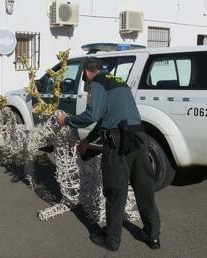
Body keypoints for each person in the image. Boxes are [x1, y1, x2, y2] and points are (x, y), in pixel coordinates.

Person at [57, 57, 161, 251]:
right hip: (139, 138)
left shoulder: (97, 83)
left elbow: (92, 115)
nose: (86, 84)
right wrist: (88, 140)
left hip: (118, 143)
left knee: (115, 190)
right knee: (144, 188)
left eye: (85, 79)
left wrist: (67, 121)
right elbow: (105, 118)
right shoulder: (118, 81)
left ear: (87, 73)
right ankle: (153, 235)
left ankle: (112, 240)